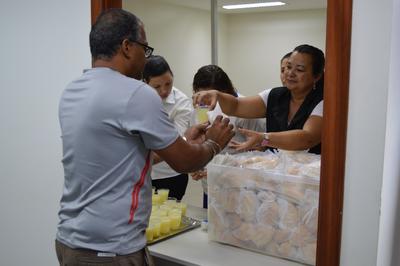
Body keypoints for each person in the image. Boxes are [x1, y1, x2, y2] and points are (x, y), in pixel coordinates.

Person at [55, 9, 234, 266]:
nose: (145, 57)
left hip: (69, 240)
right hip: (110, 248)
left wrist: (183, 139)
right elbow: (184, 163)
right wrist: (214, 142)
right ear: (127, 47)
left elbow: (123, 159)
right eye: (145, 48)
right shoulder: (135, 93)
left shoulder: (72, 91)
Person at [193, 44, 324, 154]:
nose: (290, 73)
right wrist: (217, 95)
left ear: (316, 76)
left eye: (299, 70)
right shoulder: (274, 95)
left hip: (311, 176)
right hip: (279, 175)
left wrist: (264, 138)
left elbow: (308, 138)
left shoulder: (323, 102)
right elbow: (236, 106)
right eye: (288, 67)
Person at [190, 65, 266, 208]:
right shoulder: (199, 108)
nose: (205, 101)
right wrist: (196, 166)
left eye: (210, 96)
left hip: (241, 189)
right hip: (211, 185)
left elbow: (261, 152)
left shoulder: (246, 110)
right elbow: (198, 142)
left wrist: (226, 169)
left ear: (224, 91)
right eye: (201, 95)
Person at [143, 55, 192, 200]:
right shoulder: (137, 98)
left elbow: (173, 143)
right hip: (142, 174)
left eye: (168, 84)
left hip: (171, 174)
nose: (164, 91)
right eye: (156, 86)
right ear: (145, 82)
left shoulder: (181, 102)